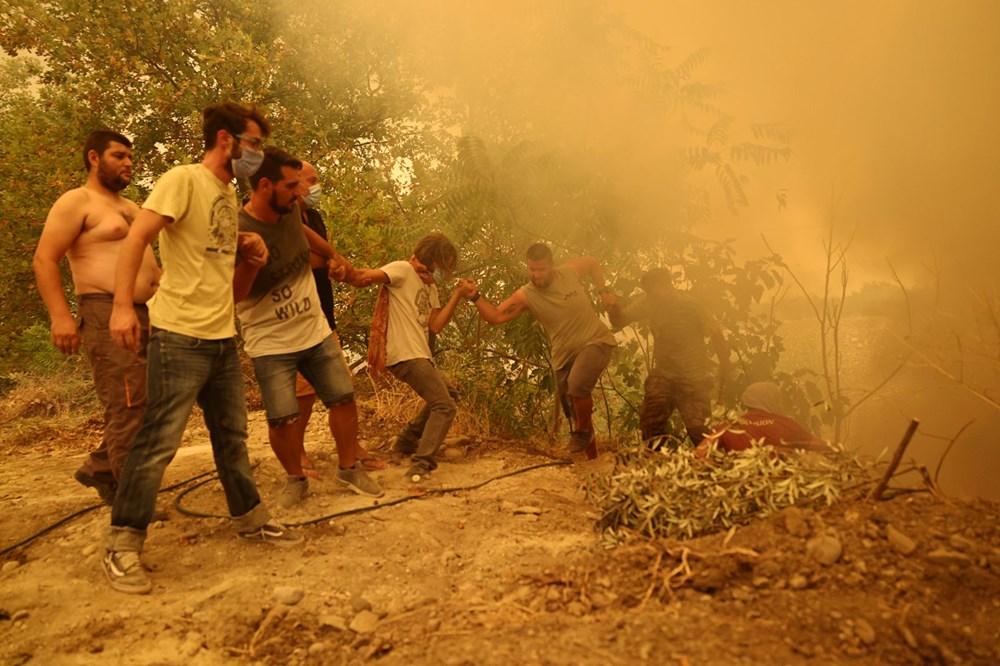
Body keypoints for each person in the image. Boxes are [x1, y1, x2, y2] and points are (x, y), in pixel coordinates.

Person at [102, 102, 298, 596]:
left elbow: (229, 290)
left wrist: (253, 259)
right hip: (178, 335)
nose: (257, 155)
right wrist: (123, 306)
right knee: (158, 443)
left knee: (232, 437)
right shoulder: (183, 179)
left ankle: (251, 518)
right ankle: (122, 543)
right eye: (253, 144)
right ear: (228, 141)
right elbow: (136, 239)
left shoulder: (228, 199)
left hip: (220, 338)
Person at [233, 147, 383, 506]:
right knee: (282, 419)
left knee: (343, 398)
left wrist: (335, 258)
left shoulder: (289, 214)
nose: (300, 193)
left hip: (315, 331)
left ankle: (348, 468)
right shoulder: (237, 230)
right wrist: (253, 263)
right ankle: (294, 478)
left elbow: (307, 235)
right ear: (265, 186)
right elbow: (234, 295)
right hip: (270, 342)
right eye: (291, 186)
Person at [33, 130, 162, 504]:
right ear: (94, 158)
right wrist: (61, 317)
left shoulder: (131, 206)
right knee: (128, 404)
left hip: (147, 313)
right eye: (119, 156)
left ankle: (102, 468)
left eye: (130, 158)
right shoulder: (77, 201)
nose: (128, 164)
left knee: (151, 402)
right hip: (106, 311)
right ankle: (133, 503)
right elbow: (44, 259)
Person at [339, 232, 474, 480]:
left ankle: (407, 441)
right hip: (404, 354)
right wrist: (345, 270)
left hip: (421, 355)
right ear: (431, 260)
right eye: (442, 265)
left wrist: (456, 296)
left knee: (450, 395)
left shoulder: (430, 287)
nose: (444, 271)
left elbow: (435, 326)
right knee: (444, 405)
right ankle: (421, 464)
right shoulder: (402, 270)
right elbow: (364, 277)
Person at [464, 243, 617, 459]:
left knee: (577, 386)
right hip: (563, 357)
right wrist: (474, 296)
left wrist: (604, 292)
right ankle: (592, 460)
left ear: (552, 266)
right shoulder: (526, 295)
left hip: (596, 341)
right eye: (532, 269)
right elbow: (496, 316)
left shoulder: (569, 272)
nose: (536, 275)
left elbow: (592, 262)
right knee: (576, 410)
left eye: (541, 269)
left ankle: (581, 435)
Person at [609, 267, 730, 447]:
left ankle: (715, 467)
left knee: (699, 432)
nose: (650, 294)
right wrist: (612, 306)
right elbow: (619, 321)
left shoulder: (689, 305)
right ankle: (658, 464)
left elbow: (715, 332)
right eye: (647, 290)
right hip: (664, 375)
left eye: (653, 289)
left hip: (693, 378)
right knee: (650, 425)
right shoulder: (649, 302)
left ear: (667, 285)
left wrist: (725, 363)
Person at [697, 382, 828, 455]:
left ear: (747, 402)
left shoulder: (727, 426)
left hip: (740, 493)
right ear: (774, 400)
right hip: (782, 495)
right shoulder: (785, 424)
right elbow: (822, 447)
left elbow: (699, 454)